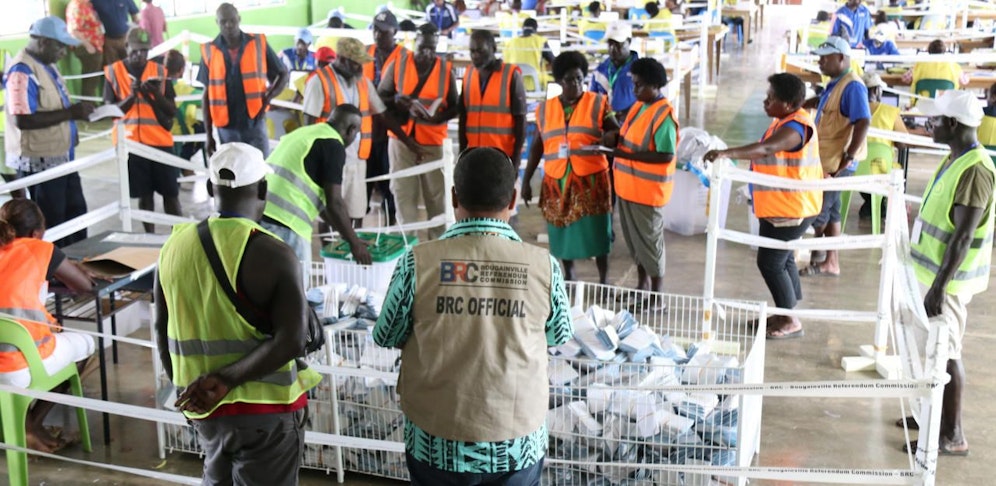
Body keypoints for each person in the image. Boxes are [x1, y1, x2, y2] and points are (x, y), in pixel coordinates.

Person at [373, 146, 572, 485]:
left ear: (454, 197)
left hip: (436, 443)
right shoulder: (544, 267)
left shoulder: (416, 262)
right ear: (512, 199)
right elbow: (558, 335)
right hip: (517, 443)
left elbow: (386, 334)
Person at [155, 142, 321, 486]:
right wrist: (227, 379)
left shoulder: (173, 246)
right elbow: (292, 341)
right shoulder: (274, 253)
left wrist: (188, 394)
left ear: (210, 187)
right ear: (263, 189)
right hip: (267, 412)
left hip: (205, 410)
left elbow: (161, 328)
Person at [901, 90, 993, 457]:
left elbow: (963, 236)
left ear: (953, 124)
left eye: (935, 120)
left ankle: (953, 435)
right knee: (929, 348)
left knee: (947, 352)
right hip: (930, 272)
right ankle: (929, 414)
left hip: (949, 283)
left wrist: (939, 287)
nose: (929, 124)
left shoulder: (975, 170)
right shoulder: (955, 158)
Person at [703, 73, 823, 340]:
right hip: (780, 207)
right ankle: (785, 311)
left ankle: (790, 319)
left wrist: (726, 153)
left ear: (788, 103)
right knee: (782, 258)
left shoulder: (796, 128)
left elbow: (766, 149)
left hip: (792, 209)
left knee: (770, 262)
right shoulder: (784, 121)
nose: (765, 101)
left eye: (771, 98)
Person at [0, 199, 97, 453]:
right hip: (16, 364)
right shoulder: (39, 248)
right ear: (35, 234)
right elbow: (84, 287)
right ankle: (30, 425)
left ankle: (20, 425)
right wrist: (77, 269)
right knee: (86, 345)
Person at [302, 37, 424, 227]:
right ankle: (331, 247)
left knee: (356, 212)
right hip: (328, 159)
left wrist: (409, 143)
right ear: (342, 59)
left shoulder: (364, 83)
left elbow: (383, 115)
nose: (361, 68)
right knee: (329, 212)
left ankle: (353, 244)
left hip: (358, 160)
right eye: (356, 63)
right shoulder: (319, 81)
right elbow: (308, 123)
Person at [522, 51, 618, 284]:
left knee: (598, 231)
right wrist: (526, 181)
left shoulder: (598, 103)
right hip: (557, 181)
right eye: (569, 80)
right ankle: (569, 273)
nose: (575, 84)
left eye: (579, 79)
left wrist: (611, 136)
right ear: (558, 81)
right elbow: (536, 147)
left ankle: (604, 278)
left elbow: (615, 131)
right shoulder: (544, 109)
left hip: (591, 180)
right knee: (561, 230)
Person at [4, 16, 94, 247]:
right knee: (53, 222)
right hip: (40, 162)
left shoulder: (47, 65)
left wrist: (76, 114)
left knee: (76, 215)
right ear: (44, 42)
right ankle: (57, 267)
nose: (63, 52)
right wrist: (70, 113)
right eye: (60, 46)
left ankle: (77, 261)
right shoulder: (22, 71)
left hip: (62, 158)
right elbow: (22, 119)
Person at [261, 104, 372, 269]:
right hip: (287, 224)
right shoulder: (333, 145)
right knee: (296, 282)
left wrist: (348, 236)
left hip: (259, 216)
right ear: (351, 130)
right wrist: (355, 245)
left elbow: (322, 205)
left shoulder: (305, 133)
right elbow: (335, 203)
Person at [603, 58, 677, 298]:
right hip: (628, 188)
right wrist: (615, 138)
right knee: (636, 243)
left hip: (647, 192)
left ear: (655, 85)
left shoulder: (663, 114)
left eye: (639, 85)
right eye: (633, 84)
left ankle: (657, 295)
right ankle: (642, 286)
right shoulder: (639, 106)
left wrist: (625, 154)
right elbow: (631, 137)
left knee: (650, 243)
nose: (634, 90)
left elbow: (666, 155)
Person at [378, 23, 459, 240]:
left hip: (433, 143)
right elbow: (380, 96)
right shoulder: (398, 64)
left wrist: (437, 117)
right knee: (404, 196)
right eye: (423, 47)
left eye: (432, 48)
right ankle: (408, 248)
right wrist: (396, 100)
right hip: (401, 142)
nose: (427, 53)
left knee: (438, 201)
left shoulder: (446, 70)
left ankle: (438, 247)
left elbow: (456, 105)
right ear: (415, 43)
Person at [801, 36, 869, 277]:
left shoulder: (853, 86)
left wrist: (848, 157)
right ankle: (831, 262)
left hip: (838, 162)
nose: (820, 62)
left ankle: (810, 253)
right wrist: (803, 103)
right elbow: (824, 102)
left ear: (841, 58)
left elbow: (863, 121)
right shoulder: (835, 84)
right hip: (828, 159)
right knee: (832, 211)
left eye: (824, 58)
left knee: (817, 211)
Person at [104, 28, 180, 234]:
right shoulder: (113, 72)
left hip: (160, 143)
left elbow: (171, 110)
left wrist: (154, 94)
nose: (140, 55)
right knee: (144, 196)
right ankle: (150, 237)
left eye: (145, 51)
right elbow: (109, 112)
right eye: (136, 50)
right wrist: (131, 96)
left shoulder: (160, 71)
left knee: (171, 194)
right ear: (126, 47)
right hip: (131, 145)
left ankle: (180, 236)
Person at [199, 3, 289, 157]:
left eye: (232, 20)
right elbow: (206, 95)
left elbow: (283, 74)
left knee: (260, 166)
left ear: (239, 19)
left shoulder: (258, 43)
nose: (228, 25)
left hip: (254, 121)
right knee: (234, 169)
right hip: (226, 127)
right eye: (223, 21)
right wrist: (208, 135)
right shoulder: (209, 51)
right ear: (217, 22)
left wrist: (267, 99)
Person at [459, 30, 527, 162]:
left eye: (480, 51)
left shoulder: (511, 75)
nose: (475, 56)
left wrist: (515, 161)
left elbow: (521, 120)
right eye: (472, 51)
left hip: (501, 157)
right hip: (473, 155)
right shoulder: (468, 74)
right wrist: (461, 156)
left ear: (493, 49)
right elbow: (463, 117)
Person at [364, 10, 404, 227]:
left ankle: (391, 229)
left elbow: (405, 95)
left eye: (383, 31)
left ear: (394, 32)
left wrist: (383, 98)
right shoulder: (365, 53)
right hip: (366, 131)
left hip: (392, 131)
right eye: (375, 30)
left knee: (391, 186)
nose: (378, 35)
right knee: (363, 186)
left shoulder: (404, 57)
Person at [859, 72, 907, 220]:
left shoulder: (850, 110)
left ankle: (870, 203)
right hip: (882, 169)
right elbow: (903, 143)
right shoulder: (890, 111)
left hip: (855, 169)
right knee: (893, 166)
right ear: (877, 90)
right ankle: (880, 203)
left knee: (865, 165)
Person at [591, 21, 639, 123]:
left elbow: (650, 102)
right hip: (605, 127)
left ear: (629, 41)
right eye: (610, 44)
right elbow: (591, 101)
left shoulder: (641, 70)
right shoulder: (600, 71)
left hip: (633, 125)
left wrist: (628, 114)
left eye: (618, 44)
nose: (613, 48)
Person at [165, 50, 205, 165]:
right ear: (182, 69)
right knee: (202, 127)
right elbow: (206, 99)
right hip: (182, 136)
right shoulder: (186, 90)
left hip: (163, 133)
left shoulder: (158, 86)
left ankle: (185, 167)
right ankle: (184, 164)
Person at [902, 39, 969, 100]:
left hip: (922, 105)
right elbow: (964, 81)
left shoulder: (919, 64)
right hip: (946, 105)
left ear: (928, 51)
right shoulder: (953, 66)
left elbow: (905, 79)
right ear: (944, 51)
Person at [504, 18, 556, 93]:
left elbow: (505, 63)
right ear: (536, 29)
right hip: (535, 84)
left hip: (513, 84)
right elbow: (554, 61)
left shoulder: (510, 43)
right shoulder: (540, 41)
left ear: (522, 28)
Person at [66, 0, 104, 98]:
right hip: (87, 47)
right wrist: (88, 46)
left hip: (94, 46)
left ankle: (89, 102)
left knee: (92, 79)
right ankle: (87, 103)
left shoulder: (87, 4)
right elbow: (73, 31)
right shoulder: (77, 6)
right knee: (91, 80)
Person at [91, 0, 140, 65]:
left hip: (126, 38)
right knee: (112, 67)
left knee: (130, 64)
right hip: (109, 41)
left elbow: (135, 16)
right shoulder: (96, 1)